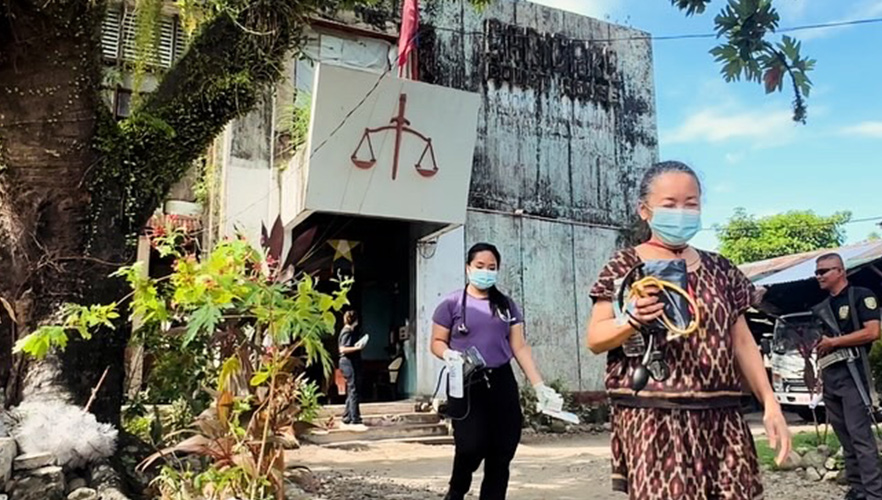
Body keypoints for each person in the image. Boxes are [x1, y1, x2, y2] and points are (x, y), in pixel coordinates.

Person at [586, 161, 791, 500]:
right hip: (655, 418)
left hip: (722, 417)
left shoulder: (721, 268)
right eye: (669, 204)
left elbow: (741, 340)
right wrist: (632, 318)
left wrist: (770, 401)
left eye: (691, 203)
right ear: (644, 210)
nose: (682, 212)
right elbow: (595, 338)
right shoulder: (624, 266)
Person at [431, 242, 562, 500]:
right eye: (480, 266)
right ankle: (456, 490)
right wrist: (448, 354)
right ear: (468, 267)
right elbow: (436, 342)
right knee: (470, 446)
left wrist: (539, 386)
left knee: (503, 448)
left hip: (501, 379)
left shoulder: (506, 306)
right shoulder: (452, 303)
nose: (486, 272)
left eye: (492, 267)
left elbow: (520, 347)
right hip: (467, 383)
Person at [813, 253, 882, 500]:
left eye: (824, 271)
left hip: (854, 372)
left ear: (840, 271)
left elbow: (872, 332)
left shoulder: (861, 296)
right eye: (817, 272)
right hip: (831, 374)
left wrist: (835, 341)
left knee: (860, 436)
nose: (819, 276)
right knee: (845, 436)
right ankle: (858, 488)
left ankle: (874, 492)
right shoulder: (822, 306)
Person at [338, 310, 366, 429]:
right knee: (353, 388)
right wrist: (356, 348)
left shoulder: (349, 331)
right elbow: (342, 349)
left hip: (349, 362)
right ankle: (355, 417)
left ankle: (347, 415)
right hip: (348, 362)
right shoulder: (347, 332)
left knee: (352, 389)